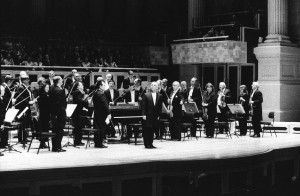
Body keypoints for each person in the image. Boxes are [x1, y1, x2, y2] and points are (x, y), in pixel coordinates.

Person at [142, 82, 163, 149]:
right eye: (152, 85)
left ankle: (151, 143)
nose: (153, 86)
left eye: (155, 85)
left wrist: (159, 115)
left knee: (152, 129)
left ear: (157, 87)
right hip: (147, 115)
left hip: (155, 115)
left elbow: (160, 107)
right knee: (147, 129)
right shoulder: (146, 95)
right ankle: (146, 144)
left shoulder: (160, 96)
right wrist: (143, 114)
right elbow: (143, 106)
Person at [49, 76, 67, 152]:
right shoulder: (59, 90)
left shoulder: (52, 88)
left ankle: (55, 147)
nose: (62, 81)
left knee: (55, 130)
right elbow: (61, 102)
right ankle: (58, 147)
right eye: (61, 80)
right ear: (58, 81)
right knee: (59, 130)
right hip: (59, 113)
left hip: (55, 113)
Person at [93, 79, 111, 148]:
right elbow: (105, 104)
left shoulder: (96, 92)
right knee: (101, 128)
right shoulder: (101, 93)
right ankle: (99, 143)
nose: (104, 86)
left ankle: (97, 143)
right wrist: (109, 113)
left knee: (97, 128)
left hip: (97, 113)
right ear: (100, 86)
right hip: (101, 114)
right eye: (103, 85)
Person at [37, 83, 51, 148]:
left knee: (46, 128)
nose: (47, 89)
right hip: (43, 114)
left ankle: (43, 143)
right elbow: (44, 105)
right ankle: (42, 142)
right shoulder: (42, 95)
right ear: (43, 88)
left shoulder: (47, 95)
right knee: (43, 128)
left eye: (48, 87)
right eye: (46, 87)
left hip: (46, 114)